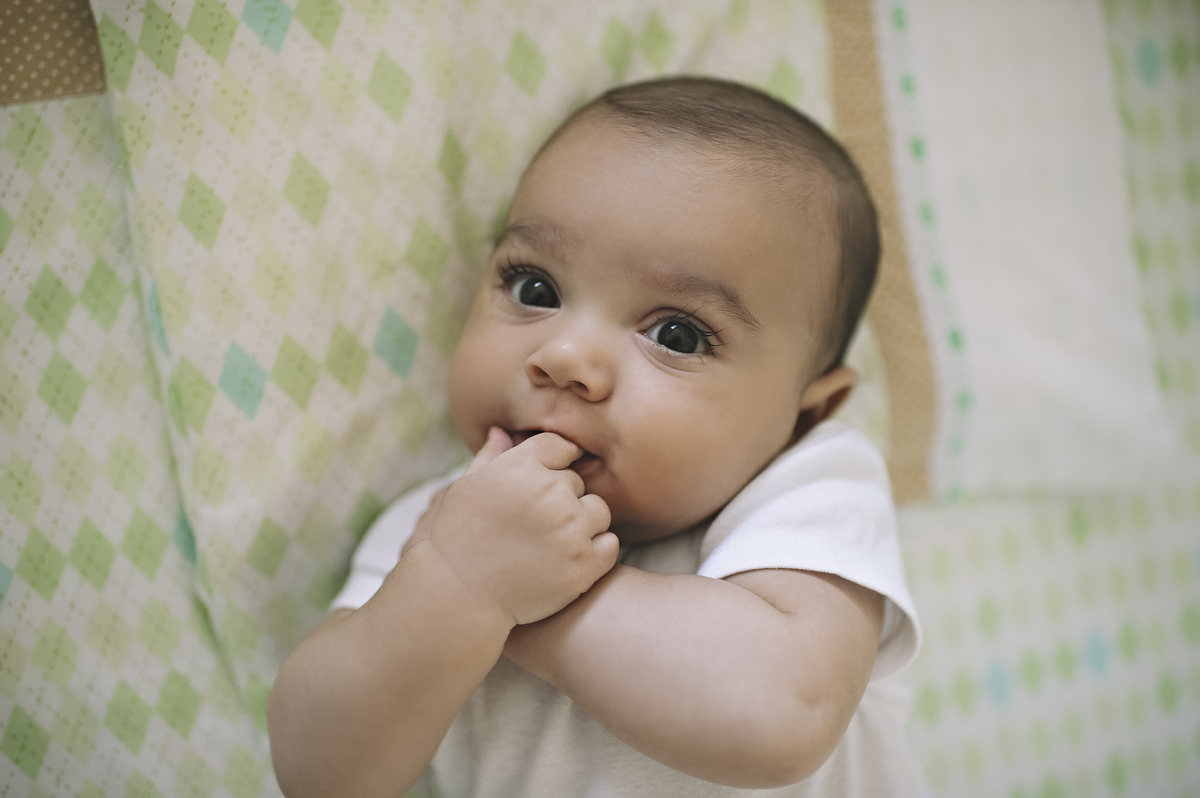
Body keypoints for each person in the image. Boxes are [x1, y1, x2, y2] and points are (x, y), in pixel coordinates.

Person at [267, 76, 923, 798]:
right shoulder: (439, 529)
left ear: (801, 416)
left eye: (676, 334)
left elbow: (782, 713)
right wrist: (454, 585)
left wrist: (504, 595)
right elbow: (319, 774)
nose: (564, 358)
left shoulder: (805, 486)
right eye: (535, 290)